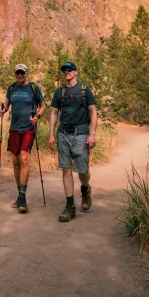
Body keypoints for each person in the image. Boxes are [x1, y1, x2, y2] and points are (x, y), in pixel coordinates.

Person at [49, 62, 97, 222]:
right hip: (63, 133)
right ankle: (70, 206)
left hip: (82, 133)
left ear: (76, 72)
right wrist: (51, 135)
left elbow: (93, 111)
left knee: (83, 170)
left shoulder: (85, 90)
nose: (67, 72)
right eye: (64, 70)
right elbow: (54, 113)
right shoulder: (59, 92)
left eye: (70, 70)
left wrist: (93, 134)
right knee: (66, 169)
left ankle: (85, 188)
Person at [0, 63, 46, 213]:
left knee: (24, 158)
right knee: (15, 160)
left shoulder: (33, 88)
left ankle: (23, 197)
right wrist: (3, 110)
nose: (20, 75)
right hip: (14, 129)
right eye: (17, 73)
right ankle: (19, 195)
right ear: (15, 74)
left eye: (22, 73)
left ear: (26, 73)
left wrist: (37, 116)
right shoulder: (12, 88)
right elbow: (6, 105)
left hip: (28, 129)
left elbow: (43, 105)